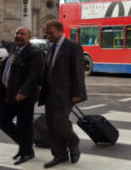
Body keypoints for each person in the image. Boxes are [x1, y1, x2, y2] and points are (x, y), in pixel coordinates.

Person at [39, 20, 87, 168]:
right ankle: (59, 154)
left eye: (50, 32)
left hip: (66, 93)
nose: (48, 36)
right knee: (51, 125)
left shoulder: (73, 47)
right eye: (46, 33)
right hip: (49, 94)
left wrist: (77, 93)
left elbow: (78, 72)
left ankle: (74, 143)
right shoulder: (50, 48)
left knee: (61, 122)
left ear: (60, 30)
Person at [0, 26, 44, 165]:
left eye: (23, 34)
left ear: (29, 37)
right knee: (2, 121)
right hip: (7, 94)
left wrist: (23, 92)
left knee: (24, 125)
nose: (19, 36)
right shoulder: (14, 50)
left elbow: (34, 75)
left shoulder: (34, 52)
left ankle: (26, 151)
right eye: (17, 33)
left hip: (24, 96)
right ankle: (25, 146)